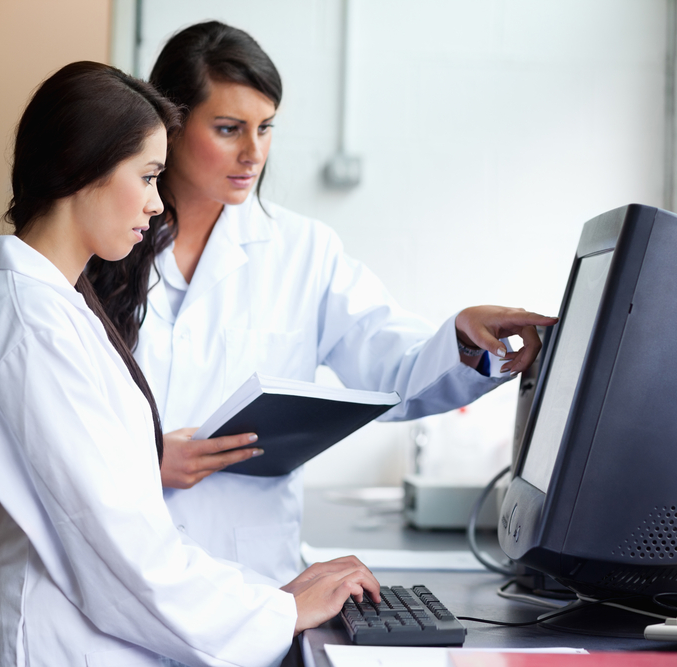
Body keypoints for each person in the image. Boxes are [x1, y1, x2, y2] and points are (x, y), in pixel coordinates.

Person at [88, 21, 557, 584]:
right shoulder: (104, 244)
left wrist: (461, 333)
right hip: (117, 560)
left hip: (247, 573)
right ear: (173, 123)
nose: (253, 152)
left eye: (266, 128)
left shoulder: (303, 252)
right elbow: (51, 415)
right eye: (229, 128)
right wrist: (143, 461)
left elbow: (393, 369)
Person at [0, 61, 381, 667]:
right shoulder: (33, 327)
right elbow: (119, 550)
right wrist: (281, 609)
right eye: (146, 177)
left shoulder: (56, 308)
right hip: (59, 643)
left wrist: (265, 598)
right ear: (81, 167)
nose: (155, 203)